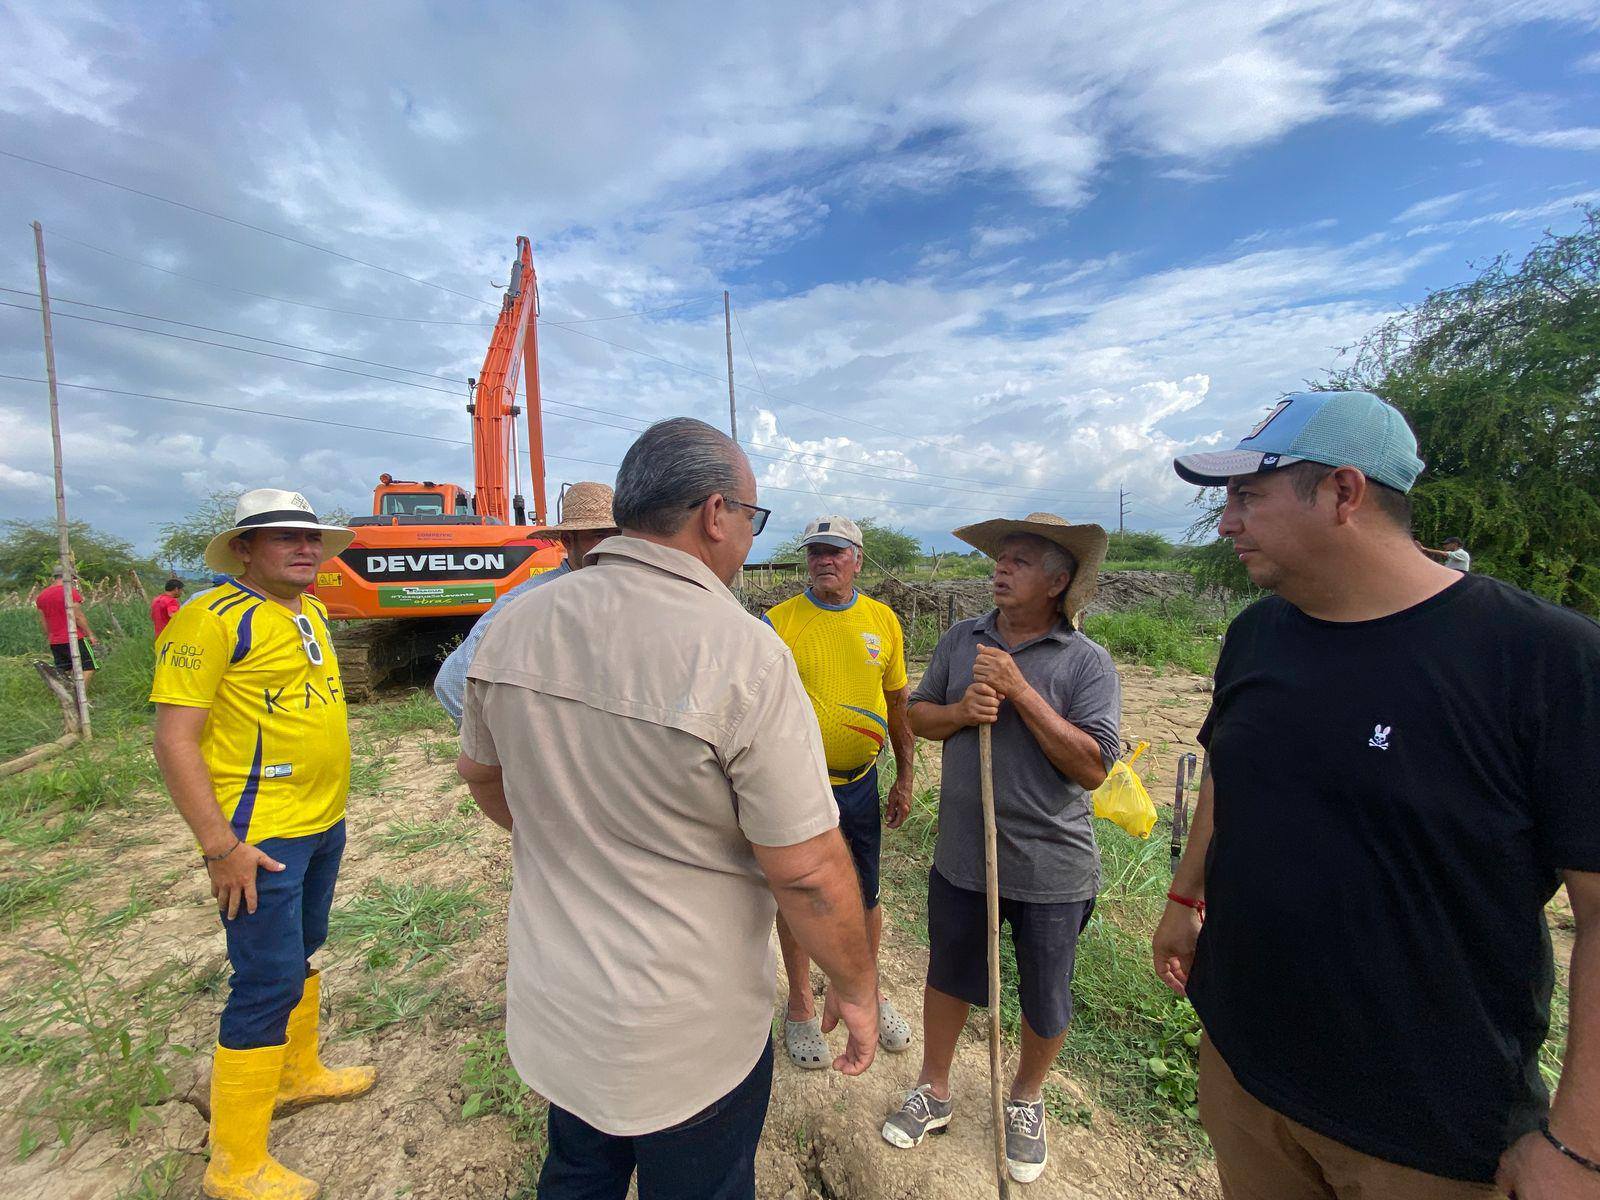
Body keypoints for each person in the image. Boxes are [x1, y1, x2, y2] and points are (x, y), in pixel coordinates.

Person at [1155, 390, 1600, 1199]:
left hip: (1423, 1133)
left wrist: (1578, 1146)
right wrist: (1185, 896)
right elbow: (1227, 768)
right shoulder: (1257, 634)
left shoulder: (1542, 659)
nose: (1226, 524)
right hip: (1245, 1075)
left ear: (1343, 492)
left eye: (1248, 495)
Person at [457, 418, 878, 1200]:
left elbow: (482, 776)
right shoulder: (743, 652)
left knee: (578, 1174)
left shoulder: (514, 625)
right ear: (716, 514)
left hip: (562, 1009)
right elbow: (809, 874)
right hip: (690, 1037)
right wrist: (855, 987)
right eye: (752, 518)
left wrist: (570, 836)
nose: (749, 537)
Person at [883, 512, 1121, 1186]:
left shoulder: (1087, 662)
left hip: (1052, 865)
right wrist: (962, 711)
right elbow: (918, 715)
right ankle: (933, 1089)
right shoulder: (963, 639)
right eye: (1001, 557)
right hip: (964, 854)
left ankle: (1025, 1099)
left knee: (1046, 995)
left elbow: (1093, 766)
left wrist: (1020, 692)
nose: (1001, 568)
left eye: (1019, 560)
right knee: (948, 975)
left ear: (1057, 581)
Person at [150, 488, 374, 1200]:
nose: (305, 549)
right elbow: (174, 739)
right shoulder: (209, 619)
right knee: (265, 980)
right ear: (244, 549)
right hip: (258, 835)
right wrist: (221, 847)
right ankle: (234, 1162)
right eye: (284, 538)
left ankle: (296, 1075)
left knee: (303, 950)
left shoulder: (309, 610)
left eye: (312, 538)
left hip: (320, 822)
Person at [763, 515, 916, 1068]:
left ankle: (864, 991)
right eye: (815, 552)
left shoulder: (883, 620)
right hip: (798, 787)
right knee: (801, 894)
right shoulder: (779, 622)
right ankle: (801, 1005)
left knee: (865, 892)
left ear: (857, 559)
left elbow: (897, 704)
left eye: (835, 551)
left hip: (861, 783)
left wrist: (905, 775)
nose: (824, 560)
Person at [433, 481, 618, 725]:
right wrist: (490, 738)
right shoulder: (529, 599)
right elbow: (452, 681)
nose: (611, 545)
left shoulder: (613, 591)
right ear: (567, 539)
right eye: (599, 535)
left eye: (617, 535)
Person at [35, 566, 98, 683]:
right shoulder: (70, 592)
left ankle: (66, 693)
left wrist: (50, 637)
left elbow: (43, 621)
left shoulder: (41, 596)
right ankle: (79, 694)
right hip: (74, 638)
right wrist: (90, 634)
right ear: (69, 577)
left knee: (64, 671)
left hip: (55, 641)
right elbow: (78, 616)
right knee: (88, 667)